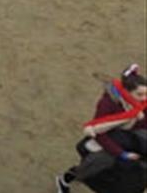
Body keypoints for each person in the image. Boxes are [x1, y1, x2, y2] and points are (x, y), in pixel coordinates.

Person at [55, 65, 147, 193]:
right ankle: (65, 178)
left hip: (128, 139)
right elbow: (100, 133)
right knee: (92, 169)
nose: (144, 98)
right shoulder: (107, 104)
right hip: (108, 143)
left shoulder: (141, 104)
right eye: (140, 94)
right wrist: (121, 153)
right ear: (127, 92)